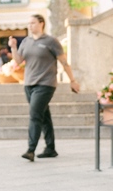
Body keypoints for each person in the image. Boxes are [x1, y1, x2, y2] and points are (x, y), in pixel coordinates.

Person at [9, 15, 80, 161]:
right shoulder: (26, 42)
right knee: (44, 116)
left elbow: (64, 63)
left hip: (46, 84)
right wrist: (14, 47)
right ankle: (50, 148)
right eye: (28, 23)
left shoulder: (51, 42)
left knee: (35, 114)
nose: (30, 26)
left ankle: (30, 150)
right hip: (29, 84)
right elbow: (18, 61)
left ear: (41, 24)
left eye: (33, 23)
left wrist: (72, 80)